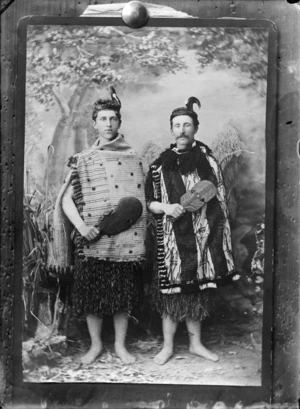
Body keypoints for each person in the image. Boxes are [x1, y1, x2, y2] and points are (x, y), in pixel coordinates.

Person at [51, 87, 146, 365]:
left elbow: (140, 197)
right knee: (92, 295)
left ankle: (119, 346)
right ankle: (94, 346)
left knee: (122, 294)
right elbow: (66, 198)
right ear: (94, 123)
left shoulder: (134, 157)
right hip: (93, 237)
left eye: (112, 119)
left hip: (126, 238)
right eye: (102, 119)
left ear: (119, 122)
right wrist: (82, 228)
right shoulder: (82, 159)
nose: (108, 124)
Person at [145, 96, 239, 365]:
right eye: (177, 125)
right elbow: (149, 202)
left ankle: (196, 344)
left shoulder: (207, 160)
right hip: (172, 238)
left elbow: (217, 192)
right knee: (170, 293)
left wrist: (201, 214)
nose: (182, 130)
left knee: (197, 290)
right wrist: (166, 207)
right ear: (171, 130)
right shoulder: (158, 165)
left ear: (195, 128)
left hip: (201, 236)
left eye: (187, 124)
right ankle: (167, 347)